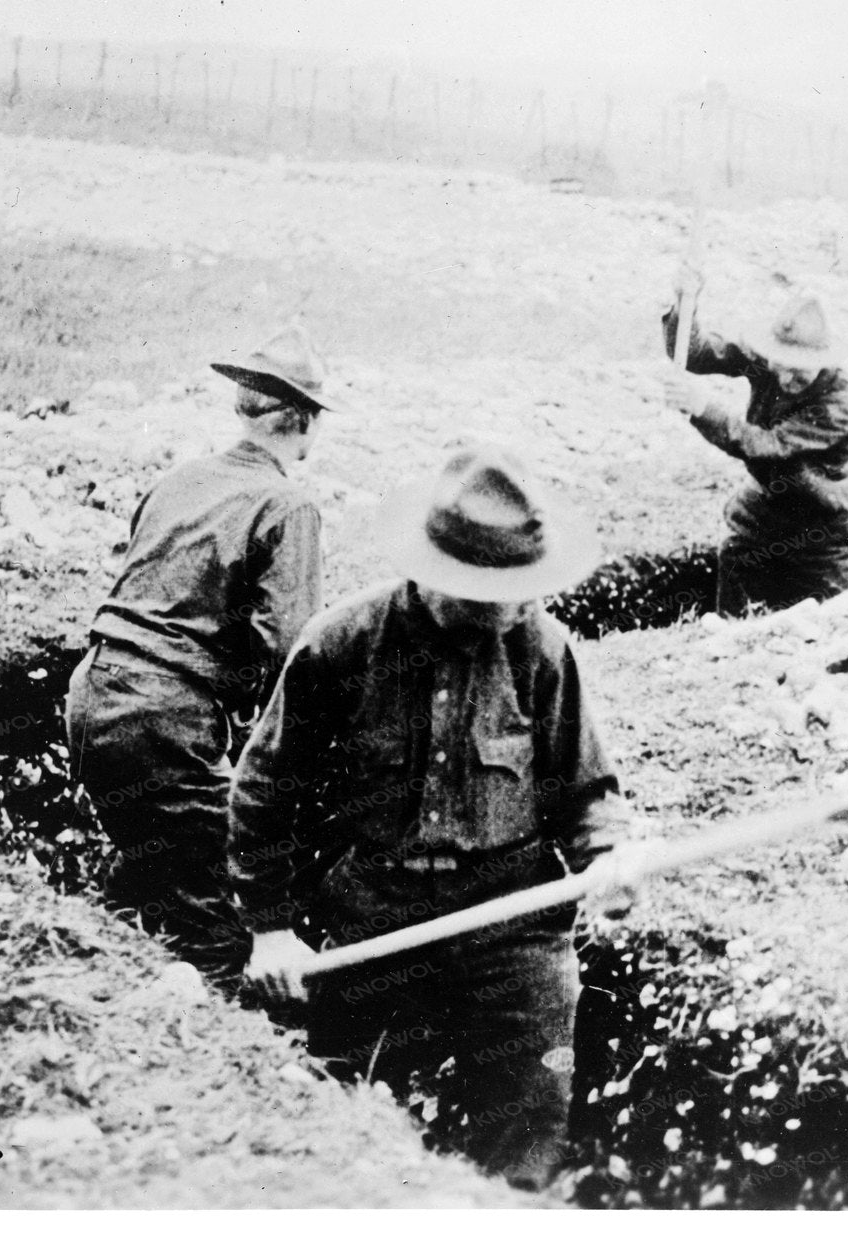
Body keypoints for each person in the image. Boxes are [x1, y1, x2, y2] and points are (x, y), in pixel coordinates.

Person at [231, 447, 635, 1192]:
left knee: (525, 1131)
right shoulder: (340, 646)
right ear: (436, 576)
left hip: (512, 917)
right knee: (352, 1114)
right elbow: (266, 791)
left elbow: (586, 793)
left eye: (522, 591)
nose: (513, 609)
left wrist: (606, 855)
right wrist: (272, 926)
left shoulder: (539, 648)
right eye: (492, 595)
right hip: (378, 916)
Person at [63, 326, 332, 984]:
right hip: (162, 720)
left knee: (153, 876)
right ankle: (224, 1053)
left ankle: (108, 990)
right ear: (302, 421)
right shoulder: (287, 504)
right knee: (218, 916)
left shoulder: (181, 479)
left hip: (92, 696)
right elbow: (287, 653)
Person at [660, 273, 848, 615]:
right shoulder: (764, 358)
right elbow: (696, 354)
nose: (785, 379)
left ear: (823, 361)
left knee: (836, 630)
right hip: (760, 516)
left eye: (800, 372)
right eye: (780, 367)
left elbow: (770, 445)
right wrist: (685, 305)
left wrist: (702, 408)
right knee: (732, 627)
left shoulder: (842, 403)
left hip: (818, 533)